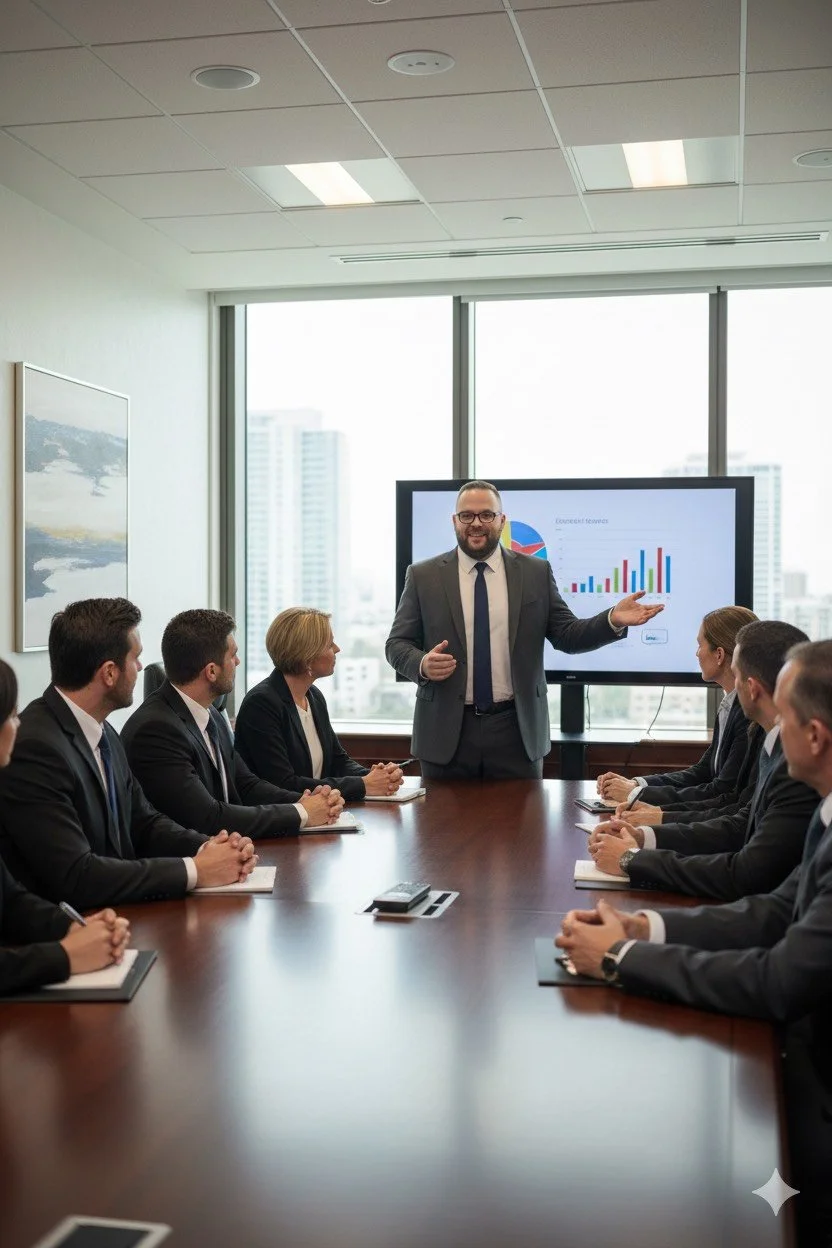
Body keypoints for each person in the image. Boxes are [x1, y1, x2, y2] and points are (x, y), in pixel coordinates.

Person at [556, 638, 832, 1246]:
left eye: (783, 719)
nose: (770, 737)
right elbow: (773, 912)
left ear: (814, 737)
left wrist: (620, 958)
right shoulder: (826, 813)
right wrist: (642, 928)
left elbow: (777, 979)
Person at [385, 480, 663, 780]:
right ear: (455, 521)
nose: (476, 524)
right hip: (444, 734)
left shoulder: (535, 572)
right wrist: (422, 664)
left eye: (486, 515)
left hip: (516, 732)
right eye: (467, 515)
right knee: (439, 827)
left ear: (502, 520)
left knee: (523, 826)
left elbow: (567, 635)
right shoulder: (423, 576)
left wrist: (612, 620)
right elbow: (397, 644)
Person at [0, 598, 257, 910]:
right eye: (135, 658)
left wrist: (210, 848)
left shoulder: (104, 731)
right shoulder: (36, 747)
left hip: (123, 912)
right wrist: (195, 870)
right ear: (109, 673)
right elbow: (78, 875)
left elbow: (144, 822)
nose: (140, 668)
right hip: (73, 931)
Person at [588, 620, 816, 900]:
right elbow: (742, 817)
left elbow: (746, 869)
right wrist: (645, 835)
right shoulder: (771, 743)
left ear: (753, 688)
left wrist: (633, 859)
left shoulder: (789, 765)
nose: (696, 653)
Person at [121, 609, 345, 835]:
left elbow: (246, 785)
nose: (237, 662)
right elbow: (207, 816)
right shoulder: (156, 730)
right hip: (192, 857)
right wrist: (302, 813)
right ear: (211, 671)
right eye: (232, 656)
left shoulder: (213, 716)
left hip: (228, 849)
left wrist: (309, 801)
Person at [0, 658, 131, 994]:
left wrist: (75, 928)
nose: (20, 725)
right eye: (13, 716)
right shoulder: (40, 744)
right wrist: (63, 956)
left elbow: (11, 900)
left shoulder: (108, 734)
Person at [596, 605, 758, 808]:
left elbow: (722, 790)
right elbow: (704, 771)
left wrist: (636, 795)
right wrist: (637, 784)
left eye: (700, 645)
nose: (697, 654)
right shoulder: (730, 704)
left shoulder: (747, 713)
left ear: (719, 655)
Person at [235, 607, 404, 800]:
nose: (337, 649)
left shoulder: (313, 696)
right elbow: (283, 783)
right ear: (307, 656)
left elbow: (338, 761)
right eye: (329, 644)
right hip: (281, 818)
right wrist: (363, 785)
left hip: (319, 812)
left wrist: (376, 776)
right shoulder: (261, 704)